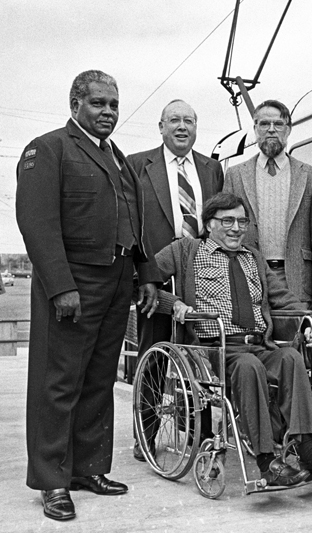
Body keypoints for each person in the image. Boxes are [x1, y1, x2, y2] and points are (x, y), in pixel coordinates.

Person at [16, 70, 160, 521]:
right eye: (98, 104)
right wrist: (61, 286)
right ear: (75, 103)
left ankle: (88, 469)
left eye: (114, 105)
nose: (109, 113)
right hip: (74, 282)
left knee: (100, 378)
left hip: (118, 280)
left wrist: (146, 274)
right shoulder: (50, 148)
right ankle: (53, 481)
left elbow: (134, 225)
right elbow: (37, 223)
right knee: (58, 382)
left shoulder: (116, 157)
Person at [153, 192, 312, 487]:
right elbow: (143, 283)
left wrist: (309, 323)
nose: (237, 228)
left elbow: (284, 301)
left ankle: (307, 449)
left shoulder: (253, 258)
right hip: (216, 349)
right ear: (209, 224)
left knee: (291, 358)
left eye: (242, 221)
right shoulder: (186, 251)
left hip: (260, 343)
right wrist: (174, 305)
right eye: (228, 221)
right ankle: (266, 461)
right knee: (248, 366)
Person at [128, 99, 224, 461]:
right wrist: (144, 275)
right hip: (155, 277)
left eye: (188, 121)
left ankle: (198, 433)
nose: (181, 127)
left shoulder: (212, 168)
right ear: (161, 127)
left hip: (199, 276)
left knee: (199, 356)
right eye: (174, 121)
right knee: (152, 357)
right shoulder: (138, 165)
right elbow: (132, 222)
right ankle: (145, 435)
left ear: (196, 127)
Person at [224, 100, 312, 323]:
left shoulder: (310, 175)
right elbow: (224, 229)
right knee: (253, 343)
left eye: (278, 124)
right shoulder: (235, 175)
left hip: (296, 276)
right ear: (255, 129)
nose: (271, 129)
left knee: (298, 343)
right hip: (248, 273)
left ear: (288, 130)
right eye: (264, 124)